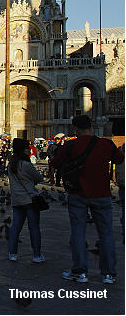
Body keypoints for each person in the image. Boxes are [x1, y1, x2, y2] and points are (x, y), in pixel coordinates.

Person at [52, 115, 124, 284]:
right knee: (106, 234)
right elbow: (119, 159)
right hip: (102, 194)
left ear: (75, 128)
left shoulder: (70, 145)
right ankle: (108, 274)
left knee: (78, 232)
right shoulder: (106, 144)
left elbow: (55, 163)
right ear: (91, 126)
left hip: (78, 194)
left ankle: (80, 272)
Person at [6, 138, 45, 263]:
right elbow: (39, 178)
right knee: (34, 228)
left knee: (15, 227)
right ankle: (37, 255)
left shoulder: (11, 164)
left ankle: (12, 254)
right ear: (24, 150)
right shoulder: (26, 165)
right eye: (28, 148)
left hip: (16, 200)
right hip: (29, 200)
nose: (30, 150)